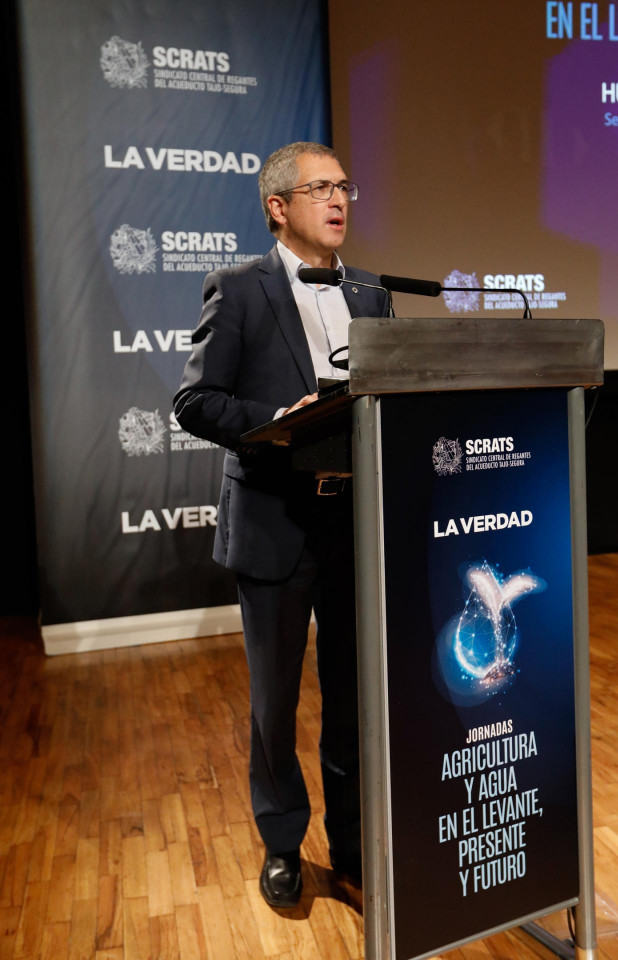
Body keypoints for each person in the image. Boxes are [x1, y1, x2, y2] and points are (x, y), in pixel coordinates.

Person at [174, 141, 387, 907]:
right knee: (275, 702)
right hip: (273, 523)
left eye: (345, 186)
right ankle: (283, 844)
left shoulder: (371, 293)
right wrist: (276, 421)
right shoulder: (237, 290)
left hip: (357, 525)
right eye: (322, 187)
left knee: (356, 696)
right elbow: (195, 402)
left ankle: (357, 846)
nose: (339, 200)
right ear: (279, 206)